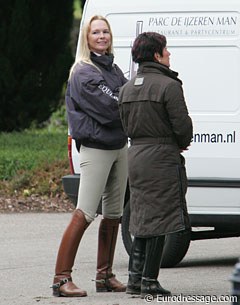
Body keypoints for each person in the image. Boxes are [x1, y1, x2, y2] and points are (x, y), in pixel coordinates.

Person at [51, 15, 128, 297]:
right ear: (87, 38)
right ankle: (61, 279)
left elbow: (125, 99)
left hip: (119, 146)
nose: (101, 36)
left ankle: (105, 276)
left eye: (105, 31)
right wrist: (125, 104)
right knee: (85, 212)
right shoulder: (84, 71)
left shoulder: (113, 68)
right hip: (96, 148)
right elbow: (112, 109)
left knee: (114, 214)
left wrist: (125, 103)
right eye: (96, 32)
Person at [118, 32, 193, 298]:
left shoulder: (126, 89)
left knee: (140, 218)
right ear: (156, 55)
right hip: (161, 157)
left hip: (136, 155)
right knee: (160, 219)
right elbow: (182, 126)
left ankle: (134, 280)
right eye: (166, 50)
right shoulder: (168, 86)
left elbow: (125, 126)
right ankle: (149, 281)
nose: (169, 54)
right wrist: (179, 142)